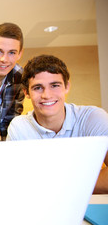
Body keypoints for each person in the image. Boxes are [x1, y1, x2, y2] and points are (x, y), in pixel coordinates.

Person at [7, 54, 108, 193]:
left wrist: (60, 185)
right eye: (38, 88)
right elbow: (17, 183)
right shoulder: (19, 127)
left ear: (67, 86)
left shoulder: (92, 117)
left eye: (54, 85)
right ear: (26, 92)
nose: (47, 95)